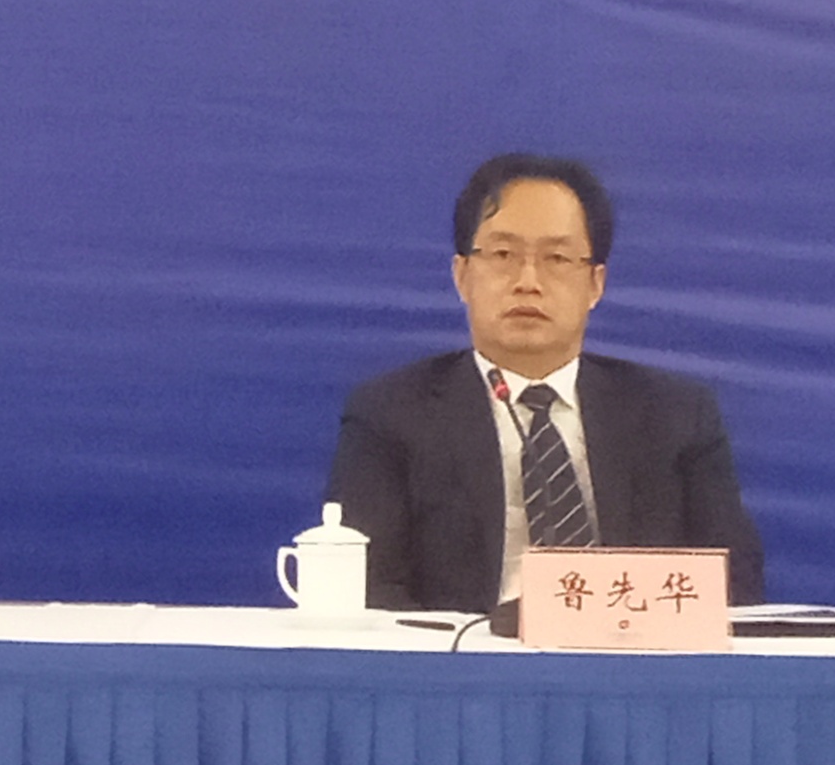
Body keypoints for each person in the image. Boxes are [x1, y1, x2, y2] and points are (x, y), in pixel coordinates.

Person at [324, 151, 765, 614]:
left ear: (595, 284)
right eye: (503, 255)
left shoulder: (678, 415)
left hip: (632, 652)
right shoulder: (392, 413)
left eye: (556, 258)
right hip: (466, 654)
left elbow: (733, 589)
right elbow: (365, 590)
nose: (528, 281)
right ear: (462, 276)